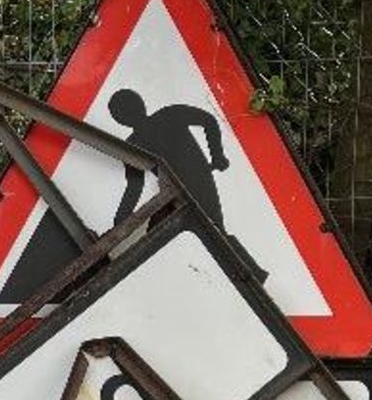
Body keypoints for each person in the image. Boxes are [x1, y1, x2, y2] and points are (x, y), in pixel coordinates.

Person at [108, 87, 267, 283]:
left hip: (196, 184)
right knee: (175, 238)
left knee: (213, 230)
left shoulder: (167, 116)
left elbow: (208, 120)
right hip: (174, 197)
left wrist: (217, 154)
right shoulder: (135, 142)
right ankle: (246, 278)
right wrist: (120, 220)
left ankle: (253, 278)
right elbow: (134, 185)